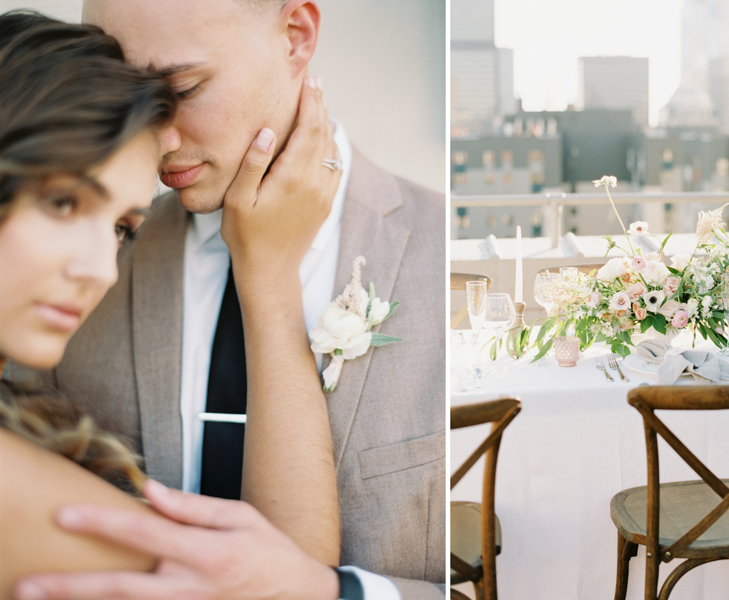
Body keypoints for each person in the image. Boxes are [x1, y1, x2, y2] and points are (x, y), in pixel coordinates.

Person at [10, 0, 446, 598]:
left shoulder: (445, 257)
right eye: (131, 98)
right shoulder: (75, 274)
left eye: (182, 88)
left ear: (296, 35)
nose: (157, 138)